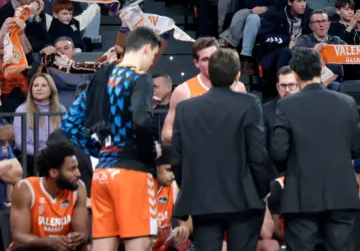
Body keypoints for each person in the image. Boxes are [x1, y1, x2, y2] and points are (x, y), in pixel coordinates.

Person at [61, 27, 163, 251]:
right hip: (132, 172)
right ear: (146, 49)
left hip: (103, 175)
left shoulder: (101, 76)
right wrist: (152, 150)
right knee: (140, 244)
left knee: (103, 245)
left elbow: (69, 123)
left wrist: (100, 150)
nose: (151, 62)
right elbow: (142, 122)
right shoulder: (140, 77)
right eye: (153, 55)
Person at [171, 48, 268, 251]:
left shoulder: (186, 109)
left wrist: (192, 189)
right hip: (244, 200)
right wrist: (260, 191)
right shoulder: (250, 104)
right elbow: (257, 154)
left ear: (209, 73)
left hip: (202, 201)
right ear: (238, 75)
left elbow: (177, 159)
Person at [271, 48, 360, 251]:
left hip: (301, 197)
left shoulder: (286, 106)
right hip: (341, 194)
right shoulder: (347, 103)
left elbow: (278, 153)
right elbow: (356, 150)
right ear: (321, 69)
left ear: (294, 73)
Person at [161, 37, 246, 143]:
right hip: (198, 155)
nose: (212, 63)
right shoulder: (183, 91)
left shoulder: (238, 87)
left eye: (214, 58)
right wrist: (196, 137)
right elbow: (166, 133)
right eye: (205, 59)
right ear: (196, 63)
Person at [9, 141, 89, 251]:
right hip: (34, 249)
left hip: (62, 248)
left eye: (77, 167)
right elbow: (19, 238)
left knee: (86, 247)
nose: (78, 173)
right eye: (72, 169)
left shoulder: (79, 188)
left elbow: (83, 233)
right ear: (53, 173)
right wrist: (49, 242)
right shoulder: (25, 189)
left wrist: (76, 238)